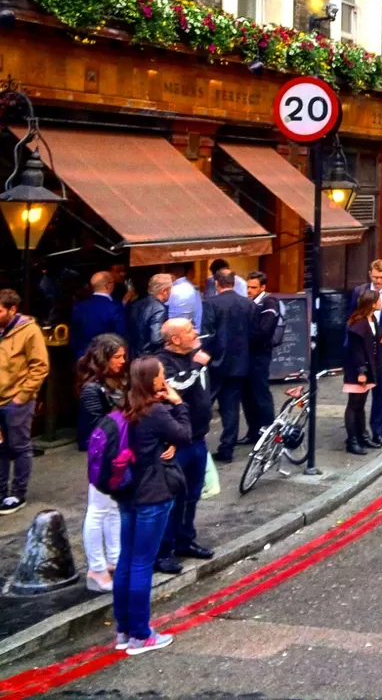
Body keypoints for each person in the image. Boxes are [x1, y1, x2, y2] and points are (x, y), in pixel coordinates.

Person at [114, 355, 189, 655]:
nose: (164, 376)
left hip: (127, 492)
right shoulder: (156, 411)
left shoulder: (125, 405)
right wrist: (178, 402)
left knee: (127, 561)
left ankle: (123, 631)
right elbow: (185, 433)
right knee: (143, 562)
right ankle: (141, 635)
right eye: (161, 374)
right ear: (153, 380)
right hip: (153, 494)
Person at [152, 319, 214, 573]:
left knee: (191, 496)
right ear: (175, 339)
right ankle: (164, 551)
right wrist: (197, 365)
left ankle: (185, 540)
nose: (196, 332)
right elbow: (173, 390)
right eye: (189, 330)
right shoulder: (161, 363)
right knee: (170, 499)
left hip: (197, 438)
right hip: (176, 444)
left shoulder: (193, 356)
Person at [75, 333, 127, 592]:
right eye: (117, 357)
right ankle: (96, 568)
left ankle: (115, 561)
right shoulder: (92, 389)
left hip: (120, 453)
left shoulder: (117, 380)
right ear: (103, 358)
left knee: (114, 509)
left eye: (123, 356)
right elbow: (95, 426)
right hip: (104, 455)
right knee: (97, 510)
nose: (122, 361)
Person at [0, 288, 49, 516]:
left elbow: (40, 366)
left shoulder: (29, 331)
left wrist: (22, 396)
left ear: (12, 309)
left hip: (16, 400)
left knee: (19, 447)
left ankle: (17, 494)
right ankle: (1, 493)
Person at [202, 267, 257, 463]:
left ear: (217, 284)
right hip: (240, 363)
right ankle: (227, 448)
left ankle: (195, 443)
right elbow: (253, 334)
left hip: (216, 362)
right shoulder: (247, 304)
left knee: (203, 404)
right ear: (234, 283)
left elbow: (208, 334)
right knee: (231, 408)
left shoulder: (210, 303)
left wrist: (205, 354)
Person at [349, 260, 382, 447]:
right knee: (359, 396)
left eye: (381, 277)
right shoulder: (359, 292)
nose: (378, 281)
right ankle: (359, 434)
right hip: (362, 350)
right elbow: (350, 320)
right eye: (374, 277)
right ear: (369, 273)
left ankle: (377, 432)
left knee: (380, 394)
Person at [343, 290, 381, 455]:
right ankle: (352, 441)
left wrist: (381, 336)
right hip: (357, 370)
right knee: (354, 404)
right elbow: (356, 350)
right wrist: (361, 372)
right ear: (372, 304)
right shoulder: (358, 324)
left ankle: (362, 436)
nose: (381, 302)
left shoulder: (372, 319)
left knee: (361, 404)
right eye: (378, 300)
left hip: (368, 368)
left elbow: (374, 336)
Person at [245, 271, 281, 445]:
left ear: (263, 287)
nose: (249, 290)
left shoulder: (269, 302)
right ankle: (253, 431)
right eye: (248, 287)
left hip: (260, 354)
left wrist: (246, 338)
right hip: (248, 354)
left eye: (253, 287)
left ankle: (268, 431)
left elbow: (265, 330)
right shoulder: (249, 302)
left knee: (260, 392)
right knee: (248, 395)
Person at [71, 272, 127, 363]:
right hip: (106, 359)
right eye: (113, 282)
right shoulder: (115, 308)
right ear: (107, 286)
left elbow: (74, 336)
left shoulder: (78, 307)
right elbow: (120, 336)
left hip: (83, 357)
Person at [127, 274, 172, 357]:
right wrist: (171, 335)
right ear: (164, 291)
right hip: (150, 356)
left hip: (134, 355)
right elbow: (156, 338)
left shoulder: (137, 303)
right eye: (170, 289)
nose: (171, 292)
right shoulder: (159, 309)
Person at [166, 265, 202, 332]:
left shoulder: (170, 290)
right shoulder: (193, 289)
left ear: (171, 275)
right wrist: (197, 330)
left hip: (172, 330)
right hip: (188, 329)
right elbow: (198, 312)